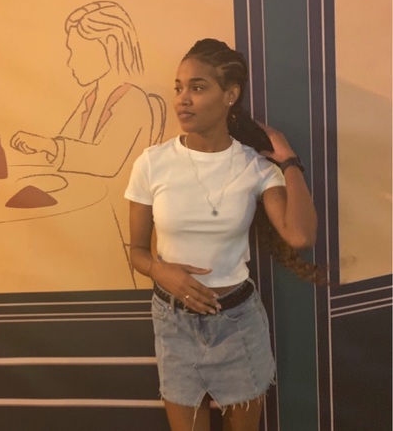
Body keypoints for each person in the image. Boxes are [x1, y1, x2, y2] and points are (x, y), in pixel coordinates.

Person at [125, 38, 321, 431]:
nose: (182, 99)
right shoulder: (152, 163)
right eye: (179, 87)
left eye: (197, 88)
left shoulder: (255, 167)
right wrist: (160, 271)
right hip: (174, 322)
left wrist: (289, 161)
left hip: (237, 322)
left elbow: (300, 236)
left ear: (230, 95)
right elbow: (137, 251)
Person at [11, 1, 158, 286]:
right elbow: (66, 146)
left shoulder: (133, 101)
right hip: (83, 215)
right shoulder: (91, 100)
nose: (70, 62)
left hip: (110, 225)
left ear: (109, 47)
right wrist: (47, 148)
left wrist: (50, 147)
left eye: (76, 51)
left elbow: (105, 161)